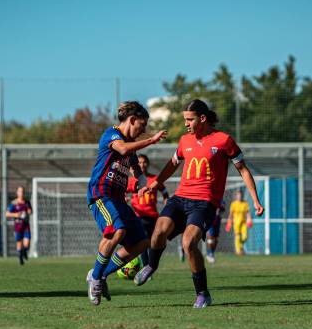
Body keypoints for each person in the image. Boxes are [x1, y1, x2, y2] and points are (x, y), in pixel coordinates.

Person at [134, 99, 264, 307]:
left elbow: (243, 170)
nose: (186, 123)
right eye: (185, 119)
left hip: (204, 202)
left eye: (189, 119)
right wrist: (156, 183)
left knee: (188, 244)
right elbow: (172, 164)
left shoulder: (223, 140)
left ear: (202, 118)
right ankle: (151, 266)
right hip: (181, 197)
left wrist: (255, 200)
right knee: (158, 231)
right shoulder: (185, 141)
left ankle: (203, 294)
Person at [85, 101, 167, 305]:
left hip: (118, 198)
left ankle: (101, 274)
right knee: (117, 231)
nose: (144, 130)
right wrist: (151, 141)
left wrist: (141, 184)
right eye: (142, 125)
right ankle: (95, 277)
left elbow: (136, 169)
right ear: (131, 120)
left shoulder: (131, 147)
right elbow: (122, 149)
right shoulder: (112, 135)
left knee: (141, 243)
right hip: (101, 194)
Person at [126, 154, 169, 268]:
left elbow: (163, 189)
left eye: (144, 162)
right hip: (138, 216)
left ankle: (150, 266)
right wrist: (124, 198)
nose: (142, 164)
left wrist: (166, 199)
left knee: (153, 242)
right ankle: (146, 267)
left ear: (148, 164)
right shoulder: (132, 181)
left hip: (153, 216)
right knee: (143, 242)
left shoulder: (153, 179)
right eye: (139, 162)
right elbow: (124, 191)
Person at [6, 186, 33, 265]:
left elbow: (30, 211)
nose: (21, 193)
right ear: (17, 193)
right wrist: (16, 214)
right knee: (19, 243)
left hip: (26, 226)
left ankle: (24, 252)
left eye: (23, 192)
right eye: (20, 191)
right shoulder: (14, 203)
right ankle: (20, 258)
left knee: (26, 244)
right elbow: (7, 214)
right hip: (18, 226)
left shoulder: (27, 202)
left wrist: (29, 212)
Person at [226, 189, 253, 255]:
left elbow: (248, 213)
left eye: (240, 195)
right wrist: (229, 223)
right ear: (236, 196)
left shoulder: (245, 203)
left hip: (243, 223)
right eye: (238, 195)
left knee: (245, 237)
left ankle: (240, 247)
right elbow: (231, 214)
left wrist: (249, 219)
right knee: (237, 236)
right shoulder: (233, 204)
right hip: (236, 223)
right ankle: (238, 251)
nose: (239, 196)